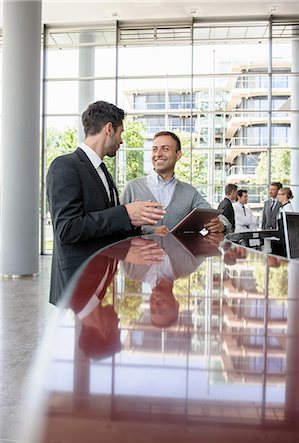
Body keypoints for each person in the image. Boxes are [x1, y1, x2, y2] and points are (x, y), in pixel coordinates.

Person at [46, 100, 166, 306]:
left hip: (101, 281)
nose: (121, 141)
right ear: (109, 128)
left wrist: (145, 230)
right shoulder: (65, 166)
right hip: (78, 283)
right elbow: (67, 229)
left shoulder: (103, 172)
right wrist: (125, 213)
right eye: (121, 133)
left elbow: (107, 228)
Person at [121, 131, 231, 235]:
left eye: (165, 149)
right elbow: (116, 224)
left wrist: (222, 225)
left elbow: (215, 215)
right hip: (140, 254)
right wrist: (150, 232)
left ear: (178, 155)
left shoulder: (189, 192)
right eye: (154, 149)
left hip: (177, 255)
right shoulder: (132, 187)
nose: (158, 154)